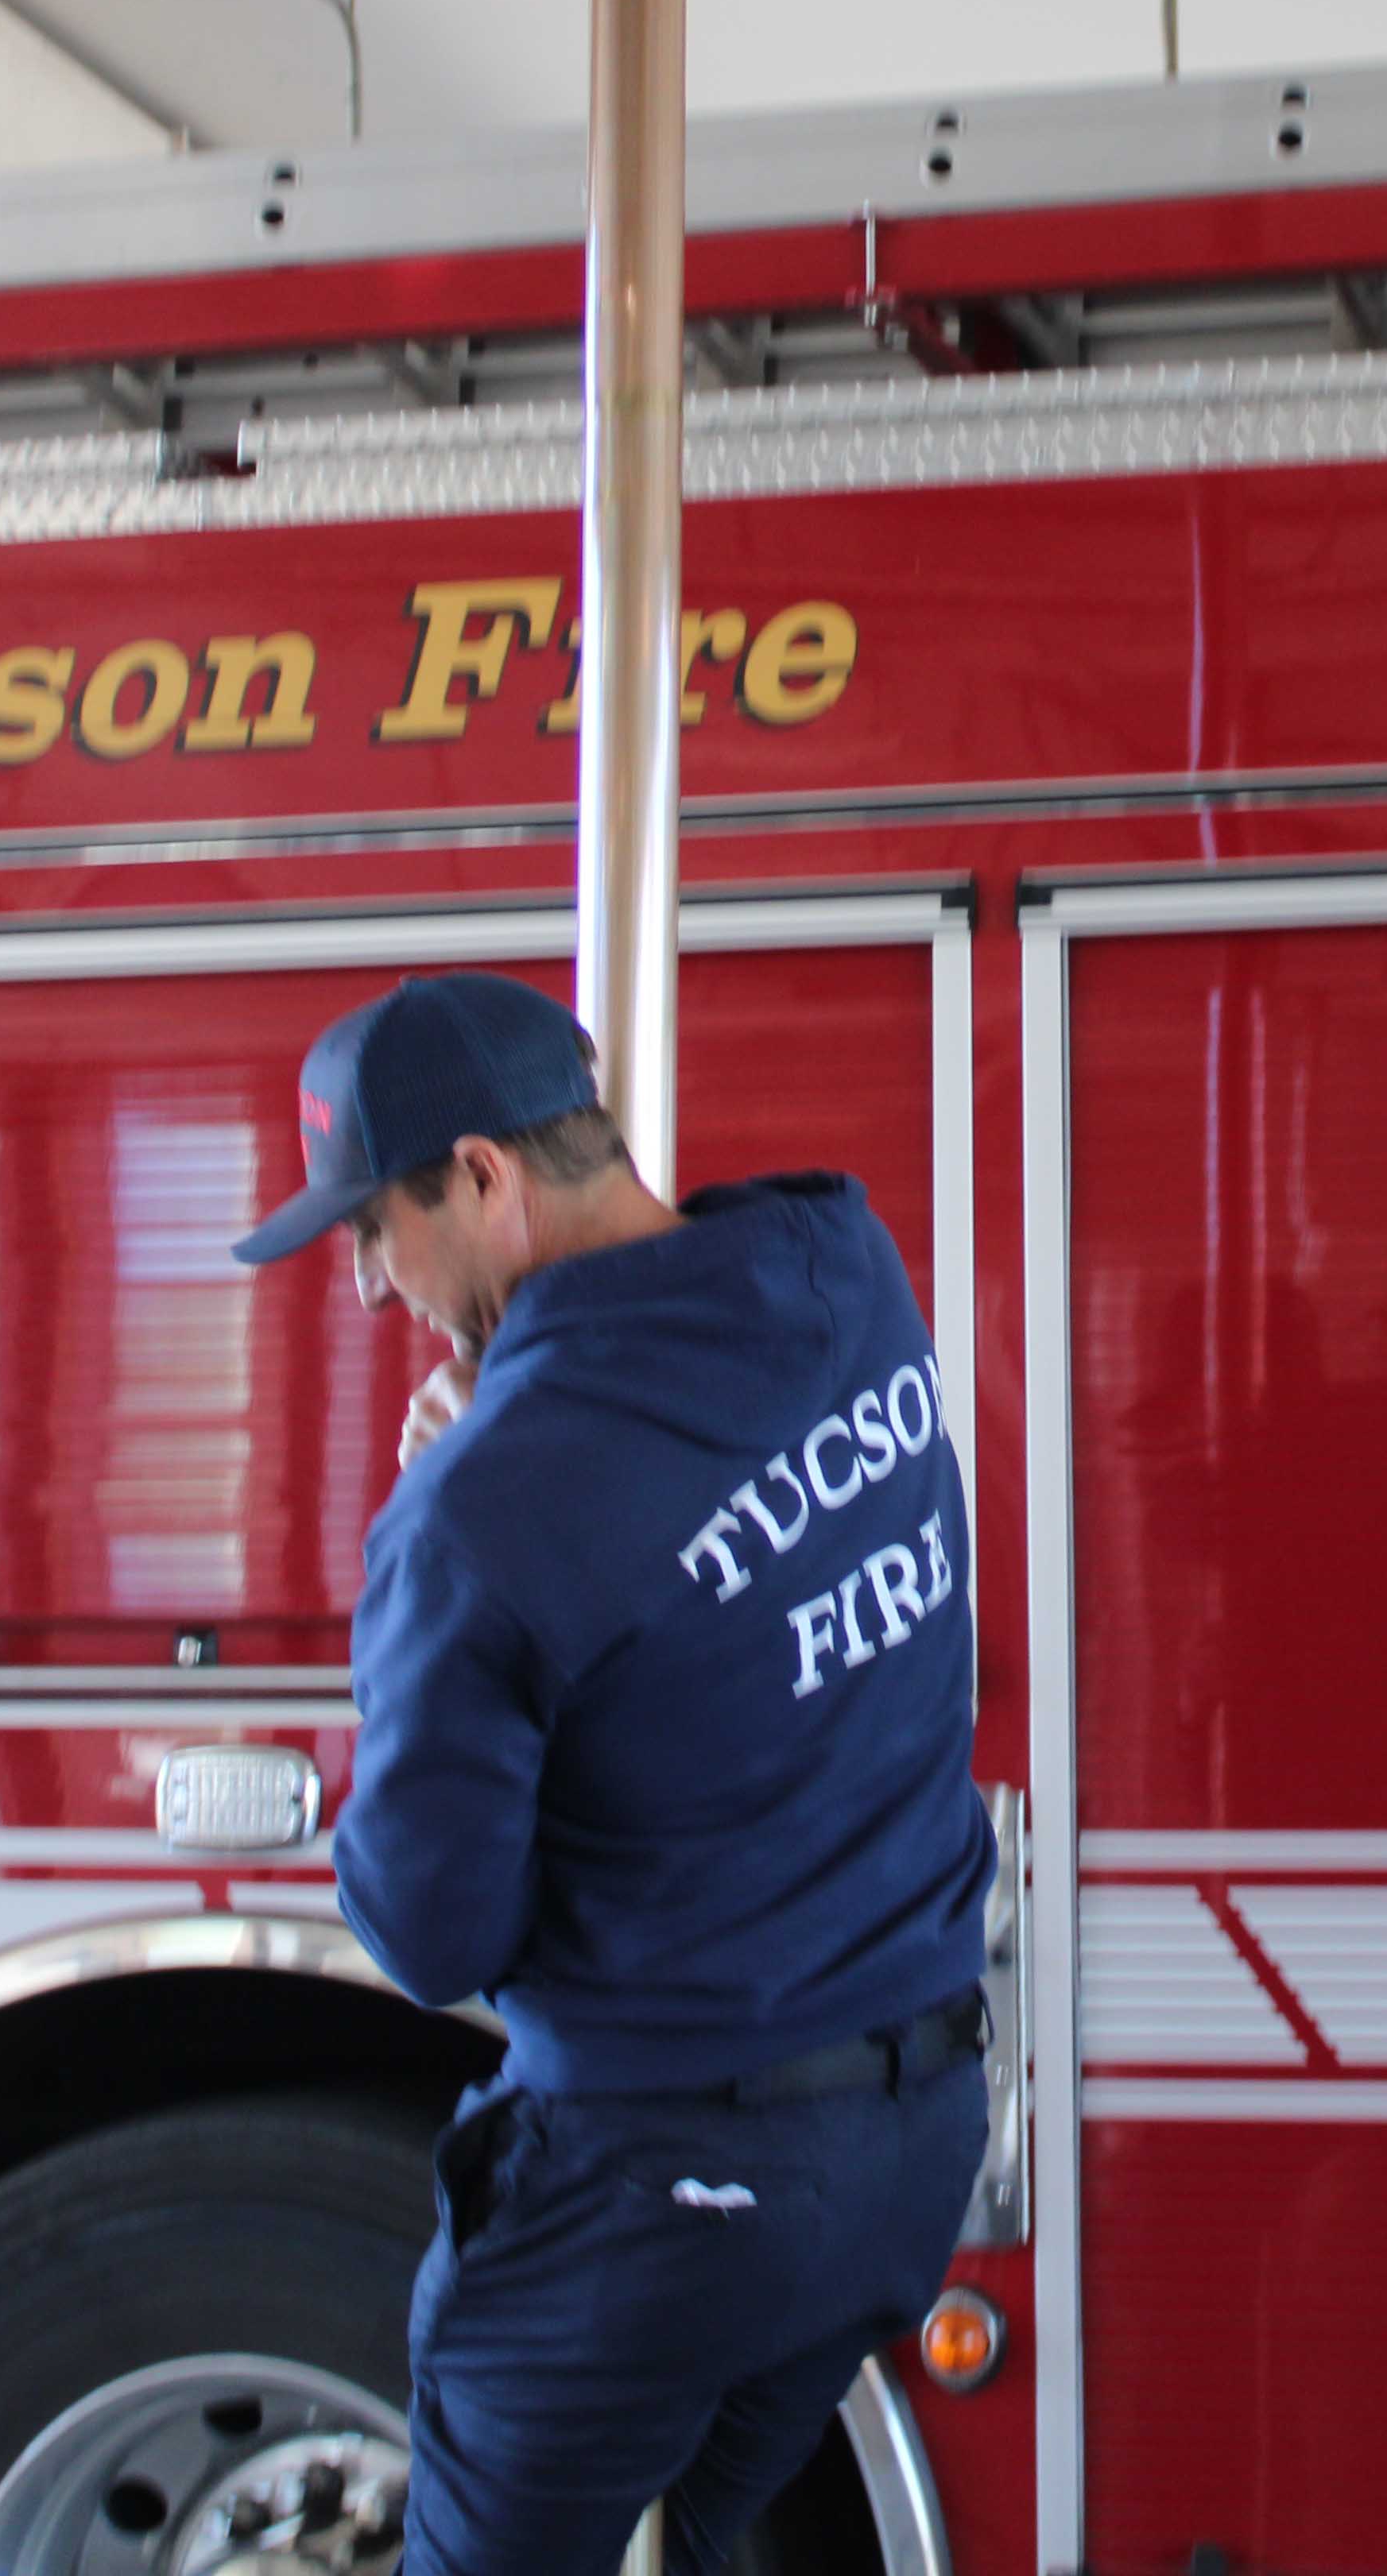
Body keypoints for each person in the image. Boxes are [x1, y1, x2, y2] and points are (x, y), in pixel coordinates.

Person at [231, 970, 995, 2576]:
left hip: (657, 2195)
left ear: (486, 1173)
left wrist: (453, 1494)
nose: (370, 1286)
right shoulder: (845, 1273)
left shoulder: (476, 1512)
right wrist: (509, 1408)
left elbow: (432, 1931)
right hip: (902, 2156)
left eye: (376, 1226)